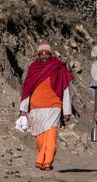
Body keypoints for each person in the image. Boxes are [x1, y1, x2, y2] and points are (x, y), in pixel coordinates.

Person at [17, 42, 74, 171]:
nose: (44, 56)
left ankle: (46, 162)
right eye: (41, 54)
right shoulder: (33, 68)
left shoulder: (58, 67)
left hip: (54, 108)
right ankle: (43, 158)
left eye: (46, 53)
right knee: (40, 140)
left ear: (50, 54)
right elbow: (27, 90)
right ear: (38, 55)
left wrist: (67, 110)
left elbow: (64, 89)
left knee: (51, 137)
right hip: (36, 110)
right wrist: (23, 110)